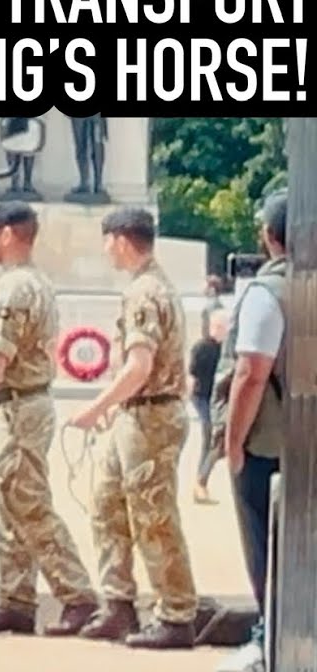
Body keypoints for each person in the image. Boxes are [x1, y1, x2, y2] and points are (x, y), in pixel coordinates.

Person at [0, 201, 99, 636]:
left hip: (16, 409)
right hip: (16, 407)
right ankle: (16, 600)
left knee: (29, 507)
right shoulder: (31, 283)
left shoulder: (15, 288)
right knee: (7, 509)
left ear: (8, 233)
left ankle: (78, 597)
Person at [67, 207, 197, 649]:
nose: (106, 250)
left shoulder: (145, 292)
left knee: (153, 517)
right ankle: (118, 604)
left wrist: (96, 407)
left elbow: (140, 366)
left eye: (107, 241)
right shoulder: (151, 285)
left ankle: (176, 614)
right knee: (108, 505)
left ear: (121, 240)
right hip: (137, 414)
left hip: (150, 417)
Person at [211, 193, 288, 672]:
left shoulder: (269, 292)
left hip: (269, 444)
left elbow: (251, 374)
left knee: (266, 546)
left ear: (269, 235)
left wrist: (233, 441)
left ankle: (267, 639)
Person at [190, 309, 229, 503]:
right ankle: (200, 482)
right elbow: (192, 375)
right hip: (202, 398)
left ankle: (201, 480)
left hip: (215, 399)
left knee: (214, 440)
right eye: (219, 327)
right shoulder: (202, 348)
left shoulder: (225, 349)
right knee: (211, 437)